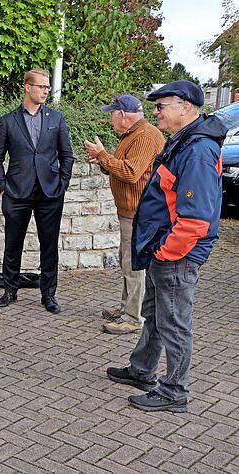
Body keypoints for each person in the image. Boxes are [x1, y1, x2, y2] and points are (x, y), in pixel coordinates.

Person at [106, 81, 226, 413]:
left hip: (177, 253)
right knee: (155, 315)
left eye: (162, 106)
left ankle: (174, 390)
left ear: (185, 108)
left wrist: (166, 251)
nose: (156, 112)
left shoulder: (197, 150)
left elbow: (196, 218)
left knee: (173, 321)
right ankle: (142, 371)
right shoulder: (183, 142)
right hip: (166, 248)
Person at [0, 68, 75, 314]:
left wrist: (63, 184)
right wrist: (2, 187)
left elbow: (67, 155)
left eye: (48, 87)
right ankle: (9, 290)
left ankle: (48, 295)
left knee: (49, 246)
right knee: (12, 244)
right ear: (27, 87)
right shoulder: (8, 121)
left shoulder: (56, 119)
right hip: (16, 193)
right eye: (41, 86)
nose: (46, 91)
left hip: (50, 193)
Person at [84, 95, 165, 335]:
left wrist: (103, 156)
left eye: (112, 114)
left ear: (122, 115)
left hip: (139, 212)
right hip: (132, 211)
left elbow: (130, 173)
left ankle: (133, 316)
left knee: (133, 264)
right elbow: (122, 167)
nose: (110, 119)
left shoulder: (145, 137)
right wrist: (102, 159)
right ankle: (126, 308)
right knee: (127, 260)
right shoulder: (134, 135)